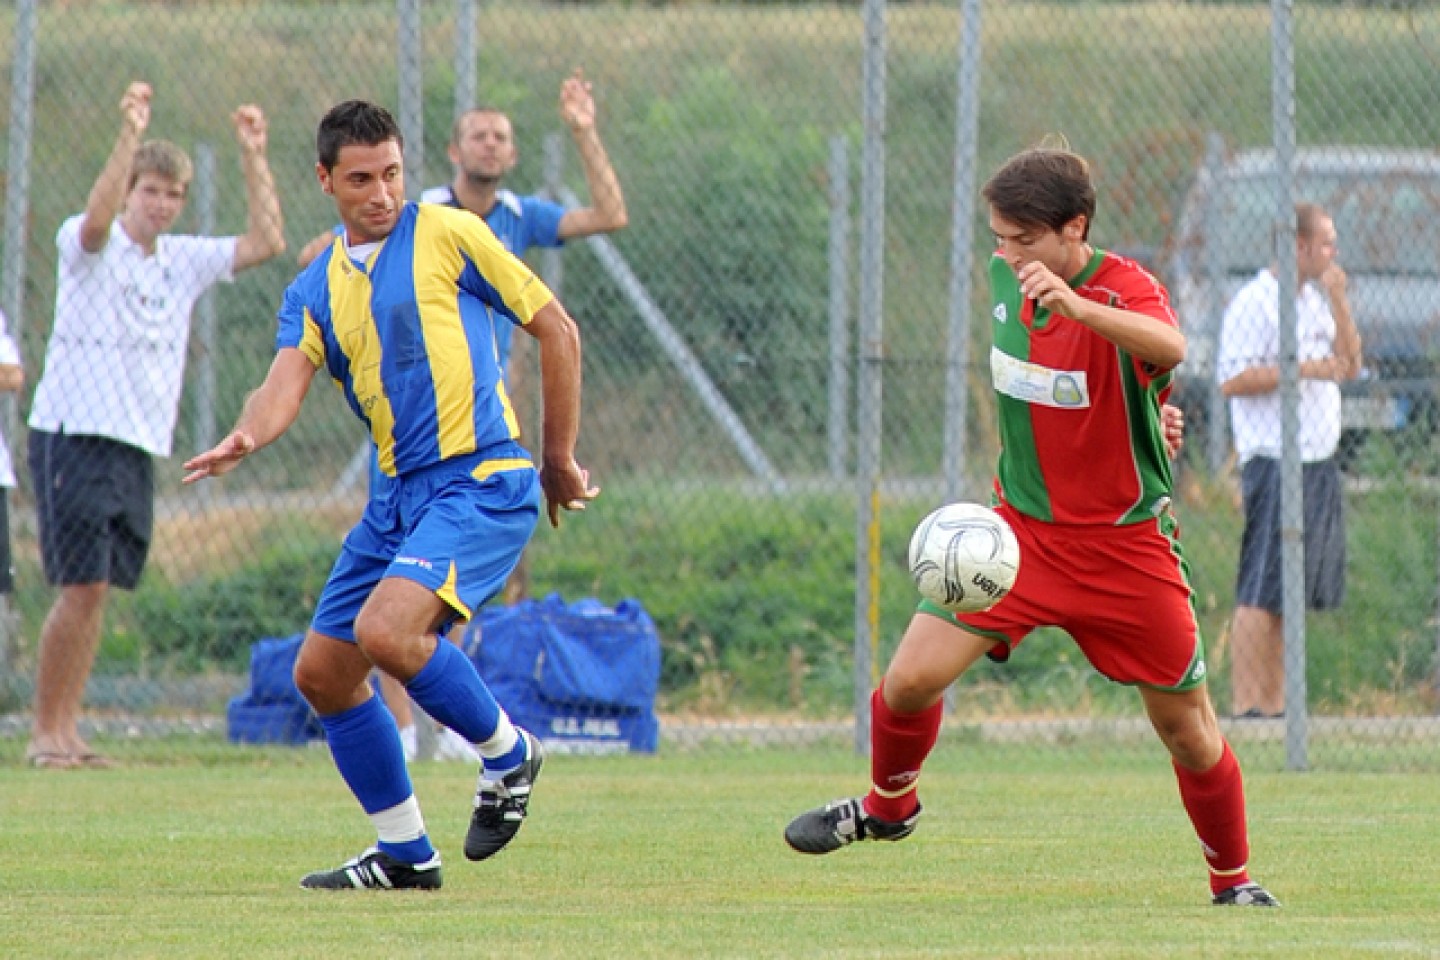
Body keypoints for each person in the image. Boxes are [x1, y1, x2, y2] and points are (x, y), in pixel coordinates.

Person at [783, 144, 1279, 908]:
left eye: (1022, 239)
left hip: (1125, 548)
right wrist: (1150, 412)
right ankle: (889, 810)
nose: (1005, 253)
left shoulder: (1124, 287)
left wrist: (1085, 314)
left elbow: (1171, 349)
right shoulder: (1002, 279)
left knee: (1189, 730)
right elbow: (1074, 389)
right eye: (997, 237)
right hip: (1021, 540)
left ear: (1072, 229)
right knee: (909, 682)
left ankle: (1233, 884)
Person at [182, 99, 597, 891]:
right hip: (400, 497)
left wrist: (558, 459)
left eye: (394, 174)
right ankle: (405, 852)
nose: (382, 193)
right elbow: (281, 385)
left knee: (387, 633)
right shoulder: (314, 287)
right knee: (323, 674)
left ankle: (510, 755)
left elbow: (558, 330)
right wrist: (247, 434)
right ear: (326, 181)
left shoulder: (448, 232)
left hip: (481, 477)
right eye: (362, 179)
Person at [298, 68, 627, 763]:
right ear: (452, 150)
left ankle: (465, 732)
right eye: (477, 132)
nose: (490, 143)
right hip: (406, 425)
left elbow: (607, 216)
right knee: (380, 620)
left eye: (502, 134)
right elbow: (331, 262)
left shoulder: (508, 217)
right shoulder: (415, 216)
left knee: (424, 606)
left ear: (510, 153)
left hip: (484, 423)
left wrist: (584, 131)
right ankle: (422, 742)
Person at [24, 81, 285, 770]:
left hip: (138, 441)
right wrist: (129, 134)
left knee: (99, 590)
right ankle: (45, 733)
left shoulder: (183, 260)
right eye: (151, 190)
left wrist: (253, 154)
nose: (162, 203)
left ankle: (69, 733)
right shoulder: (88, 247)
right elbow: (95, 219)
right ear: (130, 188)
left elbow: (267, 241)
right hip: (74, 431)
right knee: (78, 586)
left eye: (173, 194)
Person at [1216, 202, 1359, 719]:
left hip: (1316, 458)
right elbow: (1232, 379)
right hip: (1275, 459)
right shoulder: (1256, 303)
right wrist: (1305, 368)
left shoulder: (1317, 301)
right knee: (1261, 583)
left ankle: (1275, 710)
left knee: (1290, 589)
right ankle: (1247, 706)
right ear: (1298, 246)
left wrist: (1340, 300)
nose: (1332, 252)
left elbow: (1350, 363)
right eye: (1325, 243)